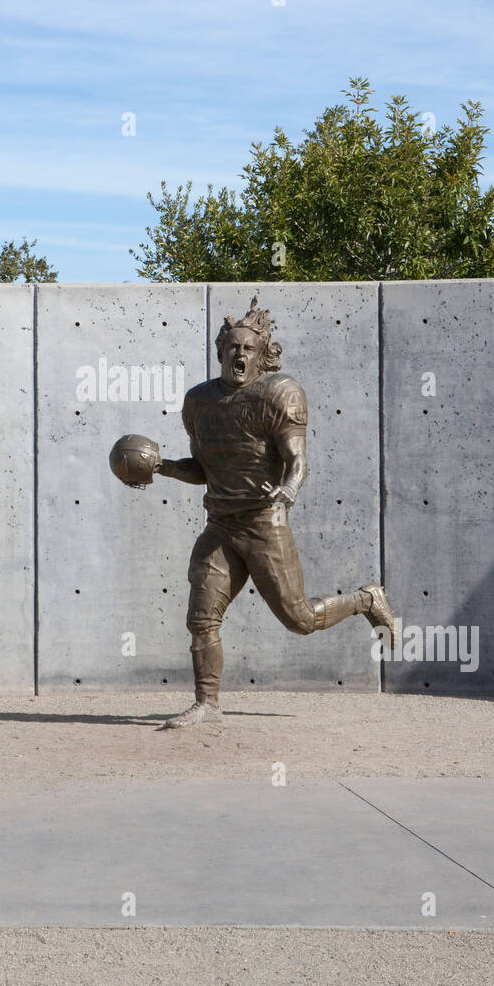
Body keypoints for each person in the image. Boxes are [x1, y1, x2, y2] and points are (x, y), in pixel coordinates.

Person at [150, 297, 395, 727]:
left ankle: (364, 599)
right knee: (201, 618)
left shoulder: (281, 393)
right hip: (221, 525)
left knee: (299, 619)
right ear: (221, 352)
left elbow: (298, 460)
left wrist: (288, 488)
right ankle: (207, 703)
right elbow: (203, 470)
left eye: (248, 348)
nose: (239, 355)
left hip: (265, 522)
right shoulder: (198, 402)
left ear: (262, 355)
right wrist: (161, 467)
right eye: (233, 348)